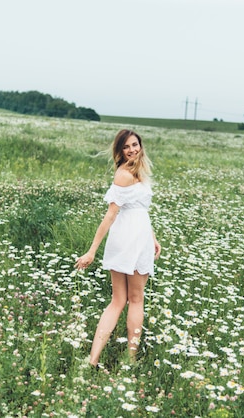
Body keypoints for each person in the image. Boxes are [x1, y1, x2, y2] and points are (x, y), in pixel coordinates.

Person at [75, 129, 161, 367]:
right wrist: (92, 250)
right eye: (127, 147)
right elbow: (111, 214)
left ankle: (94, 358)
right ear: (120, 151)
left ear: (141, 146)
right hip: (130, 239)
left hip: (135, 235)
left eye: (135, 144)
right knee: (134, 300)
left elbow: (139, 209)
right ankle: (130, 358)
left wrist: (152, 237)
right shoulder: (124, 174)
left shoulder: (136, 172)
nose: (132, 149)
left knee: (119, 300)